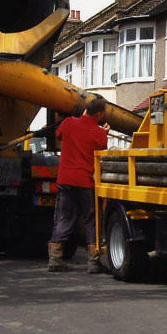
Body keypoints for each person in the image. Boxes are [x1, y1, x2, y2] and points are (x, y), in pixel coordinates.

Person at [48, 97, 110, 273]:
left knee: (64, 217)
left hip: (66, 179)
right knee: (91, 220)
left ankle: (55, 259)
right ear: (98, 114)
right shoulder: (98, 133)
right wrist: (103, 132)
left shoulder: (68, 123)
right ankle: (93, 262)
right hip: (86, 182)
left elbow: (59, 135)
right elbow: (102, 148)